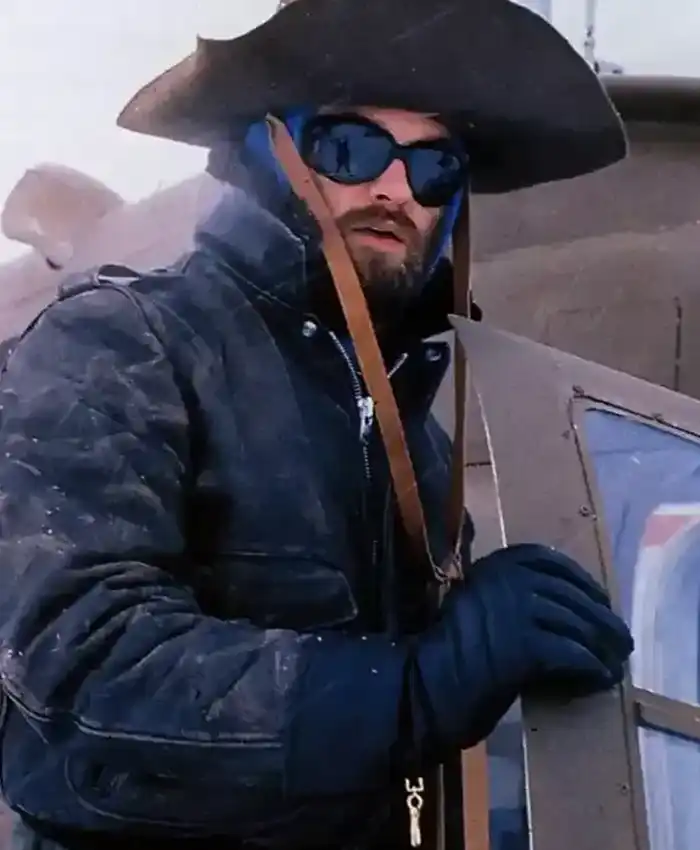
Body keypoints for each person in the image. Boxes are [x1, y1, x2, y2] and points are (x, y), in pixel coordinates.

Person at [0, 1, 633, 849]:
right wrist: (413, 687)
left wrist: (495, 634)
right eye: (352, 149)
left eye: (434, 166)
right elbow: (79, 658)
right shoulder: (122, 343)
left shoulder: (416, 439)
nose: (395, 189)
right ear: (272, 154)